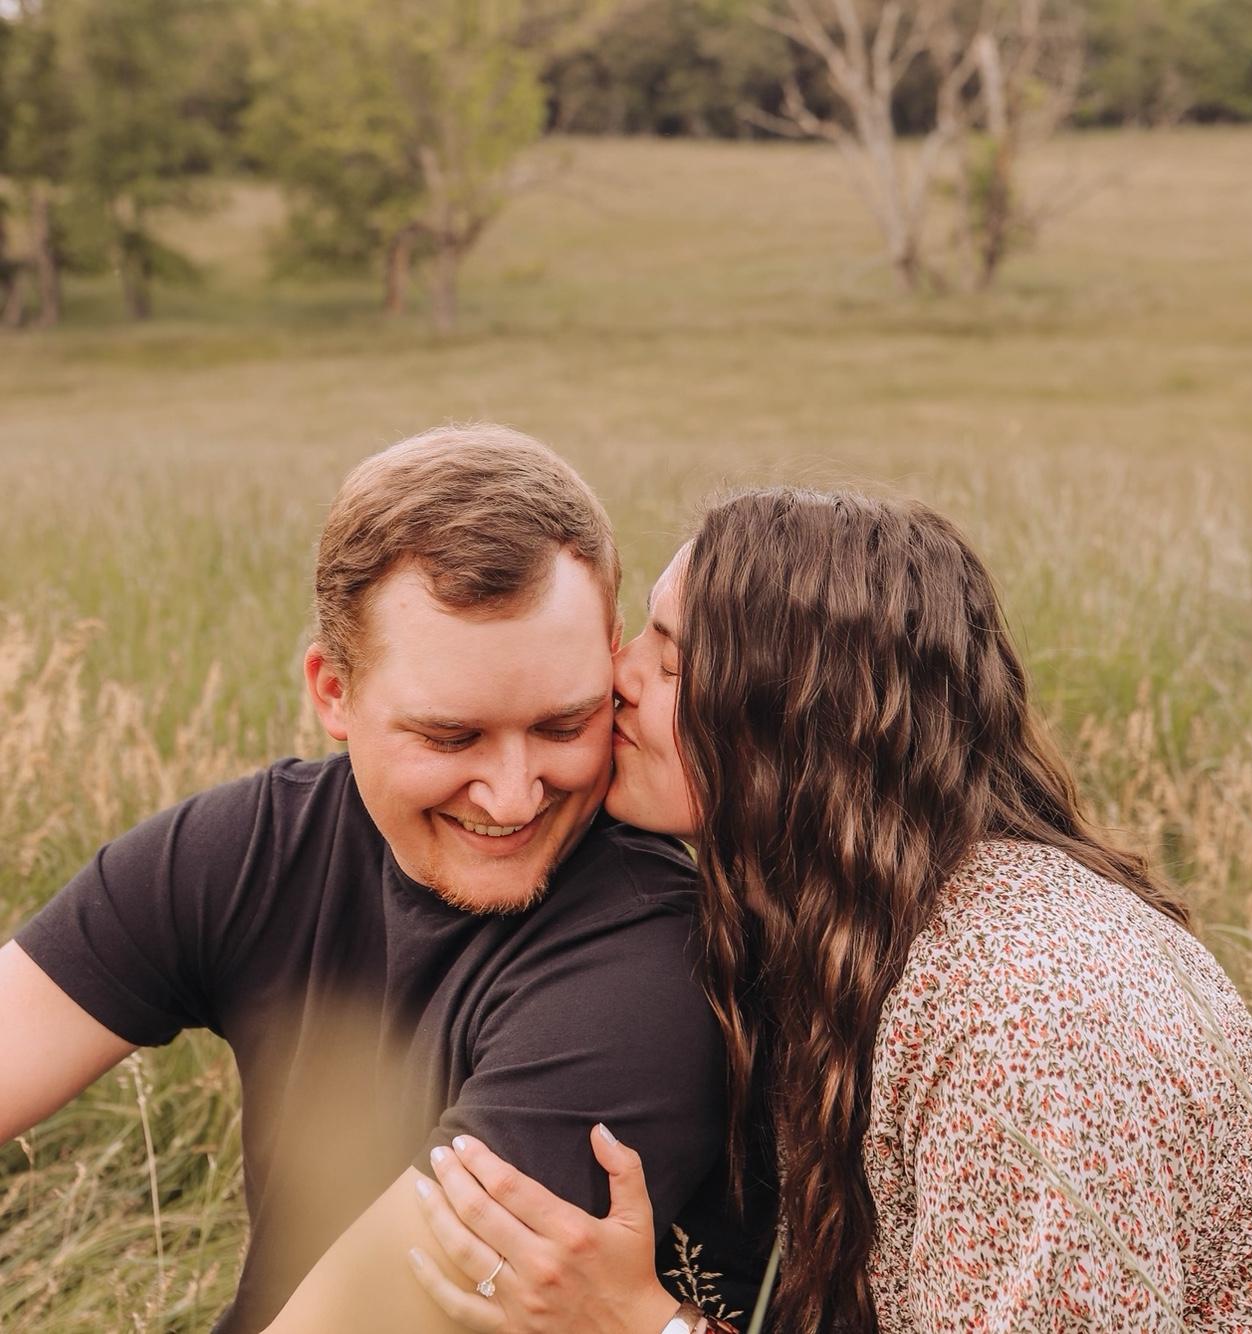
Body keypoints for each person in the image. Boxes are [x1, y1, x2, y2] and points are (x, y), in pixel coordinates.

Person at [407, 488, 1252, 1333]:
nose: (618, 676)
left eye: (676, 662)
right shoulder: (860, 929)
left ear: (805, 728)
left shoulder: (1026, 1019)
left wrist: (646, 1326)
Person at [0, 425, 769, 1333]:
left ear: (610, 666)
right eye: (452, 738)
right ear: (333, 693)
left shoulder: (650, 961)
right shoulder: (248, 846)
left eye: (565, 725)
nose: (514, 793)